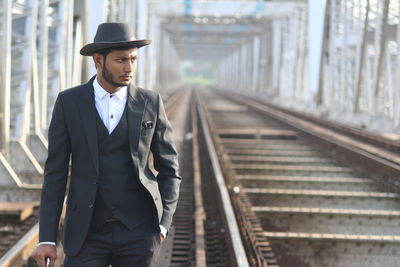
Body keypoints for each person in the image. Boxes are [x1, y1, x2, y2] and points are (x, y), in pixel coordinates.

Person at [31, 22, 181, 267]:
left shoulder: (150, 101)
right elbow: (55, 174)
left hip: (139, 231)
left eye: (133, 59)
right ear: (98, 60)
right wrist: (46, 238)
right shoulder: (69, 103)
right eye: (121, 60)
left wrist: (162, 224)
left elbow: (170, 170)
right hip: (86, 232)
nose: (129, 68)